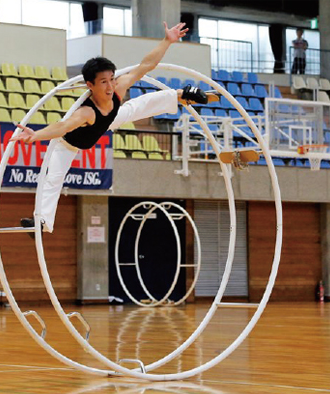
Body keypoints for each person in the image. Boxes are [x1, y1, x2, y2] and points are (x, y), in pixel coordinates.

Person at [12, 22, 218, 235]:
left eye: (111, 79)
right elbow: (62, 126)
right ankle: (43, 222)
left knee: (138, 105)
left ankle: (179, 95)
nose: (110, 86)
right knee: (53, 178)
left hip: (110, 119)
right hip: (71, 144)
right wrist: (36, 135)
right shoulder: (86, 113)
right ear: (90, 85)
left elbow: (145, 66)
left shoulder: (117, 88)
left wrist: (167, 41)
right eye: (103, 82)